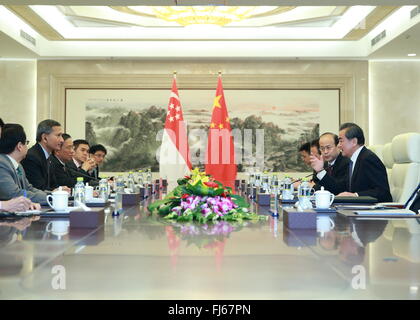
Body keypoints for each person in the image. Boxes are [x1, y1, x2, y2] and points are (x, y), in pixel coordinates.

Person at [310, 123, 392, 202]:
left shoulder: (368, 158)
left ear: (354, 142)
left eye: (341, 141)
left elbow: (383, 193)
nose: (339, 145)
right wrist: (320, 171)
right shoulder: (353, 160)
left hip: (370, 212)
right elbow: (339, 188)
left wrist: (355, 195)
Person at [0, 124, 48, 203]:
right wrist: (50, 198)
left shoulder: (18, 165)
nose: (27, 146)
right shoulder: (2, 164)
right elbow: (14, 194)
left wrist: (52, 195)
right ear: (19, 146)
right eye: (26, 142)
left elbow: (29, 189)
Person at [21, 119, 63, 191]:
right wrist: (56, 191)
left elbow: (54, 185)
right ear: (45, 138)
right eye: (58, 135)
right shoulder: (31, 157)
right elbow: (38, 188)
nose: (62, 140)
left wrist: (60, 190)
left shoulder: (51, 158)